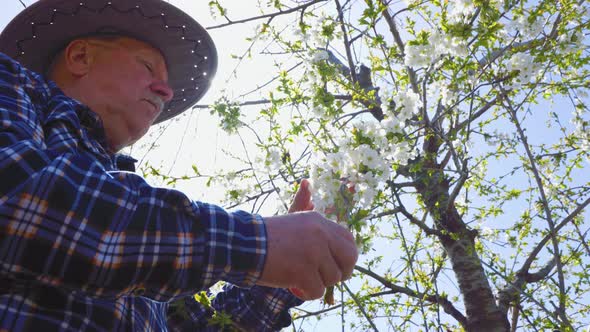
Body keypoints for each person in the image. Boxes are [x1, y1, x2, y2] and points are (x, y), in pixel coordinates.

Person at [0, 0, 358, 331]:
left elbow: (200, 325)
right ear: (80, 57)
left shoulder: (144, 228)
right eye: (147, 66)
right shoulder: (10, 84)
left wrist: (292, 269)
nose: (165, 91)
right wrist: (260, 243)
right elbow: (19, 200)